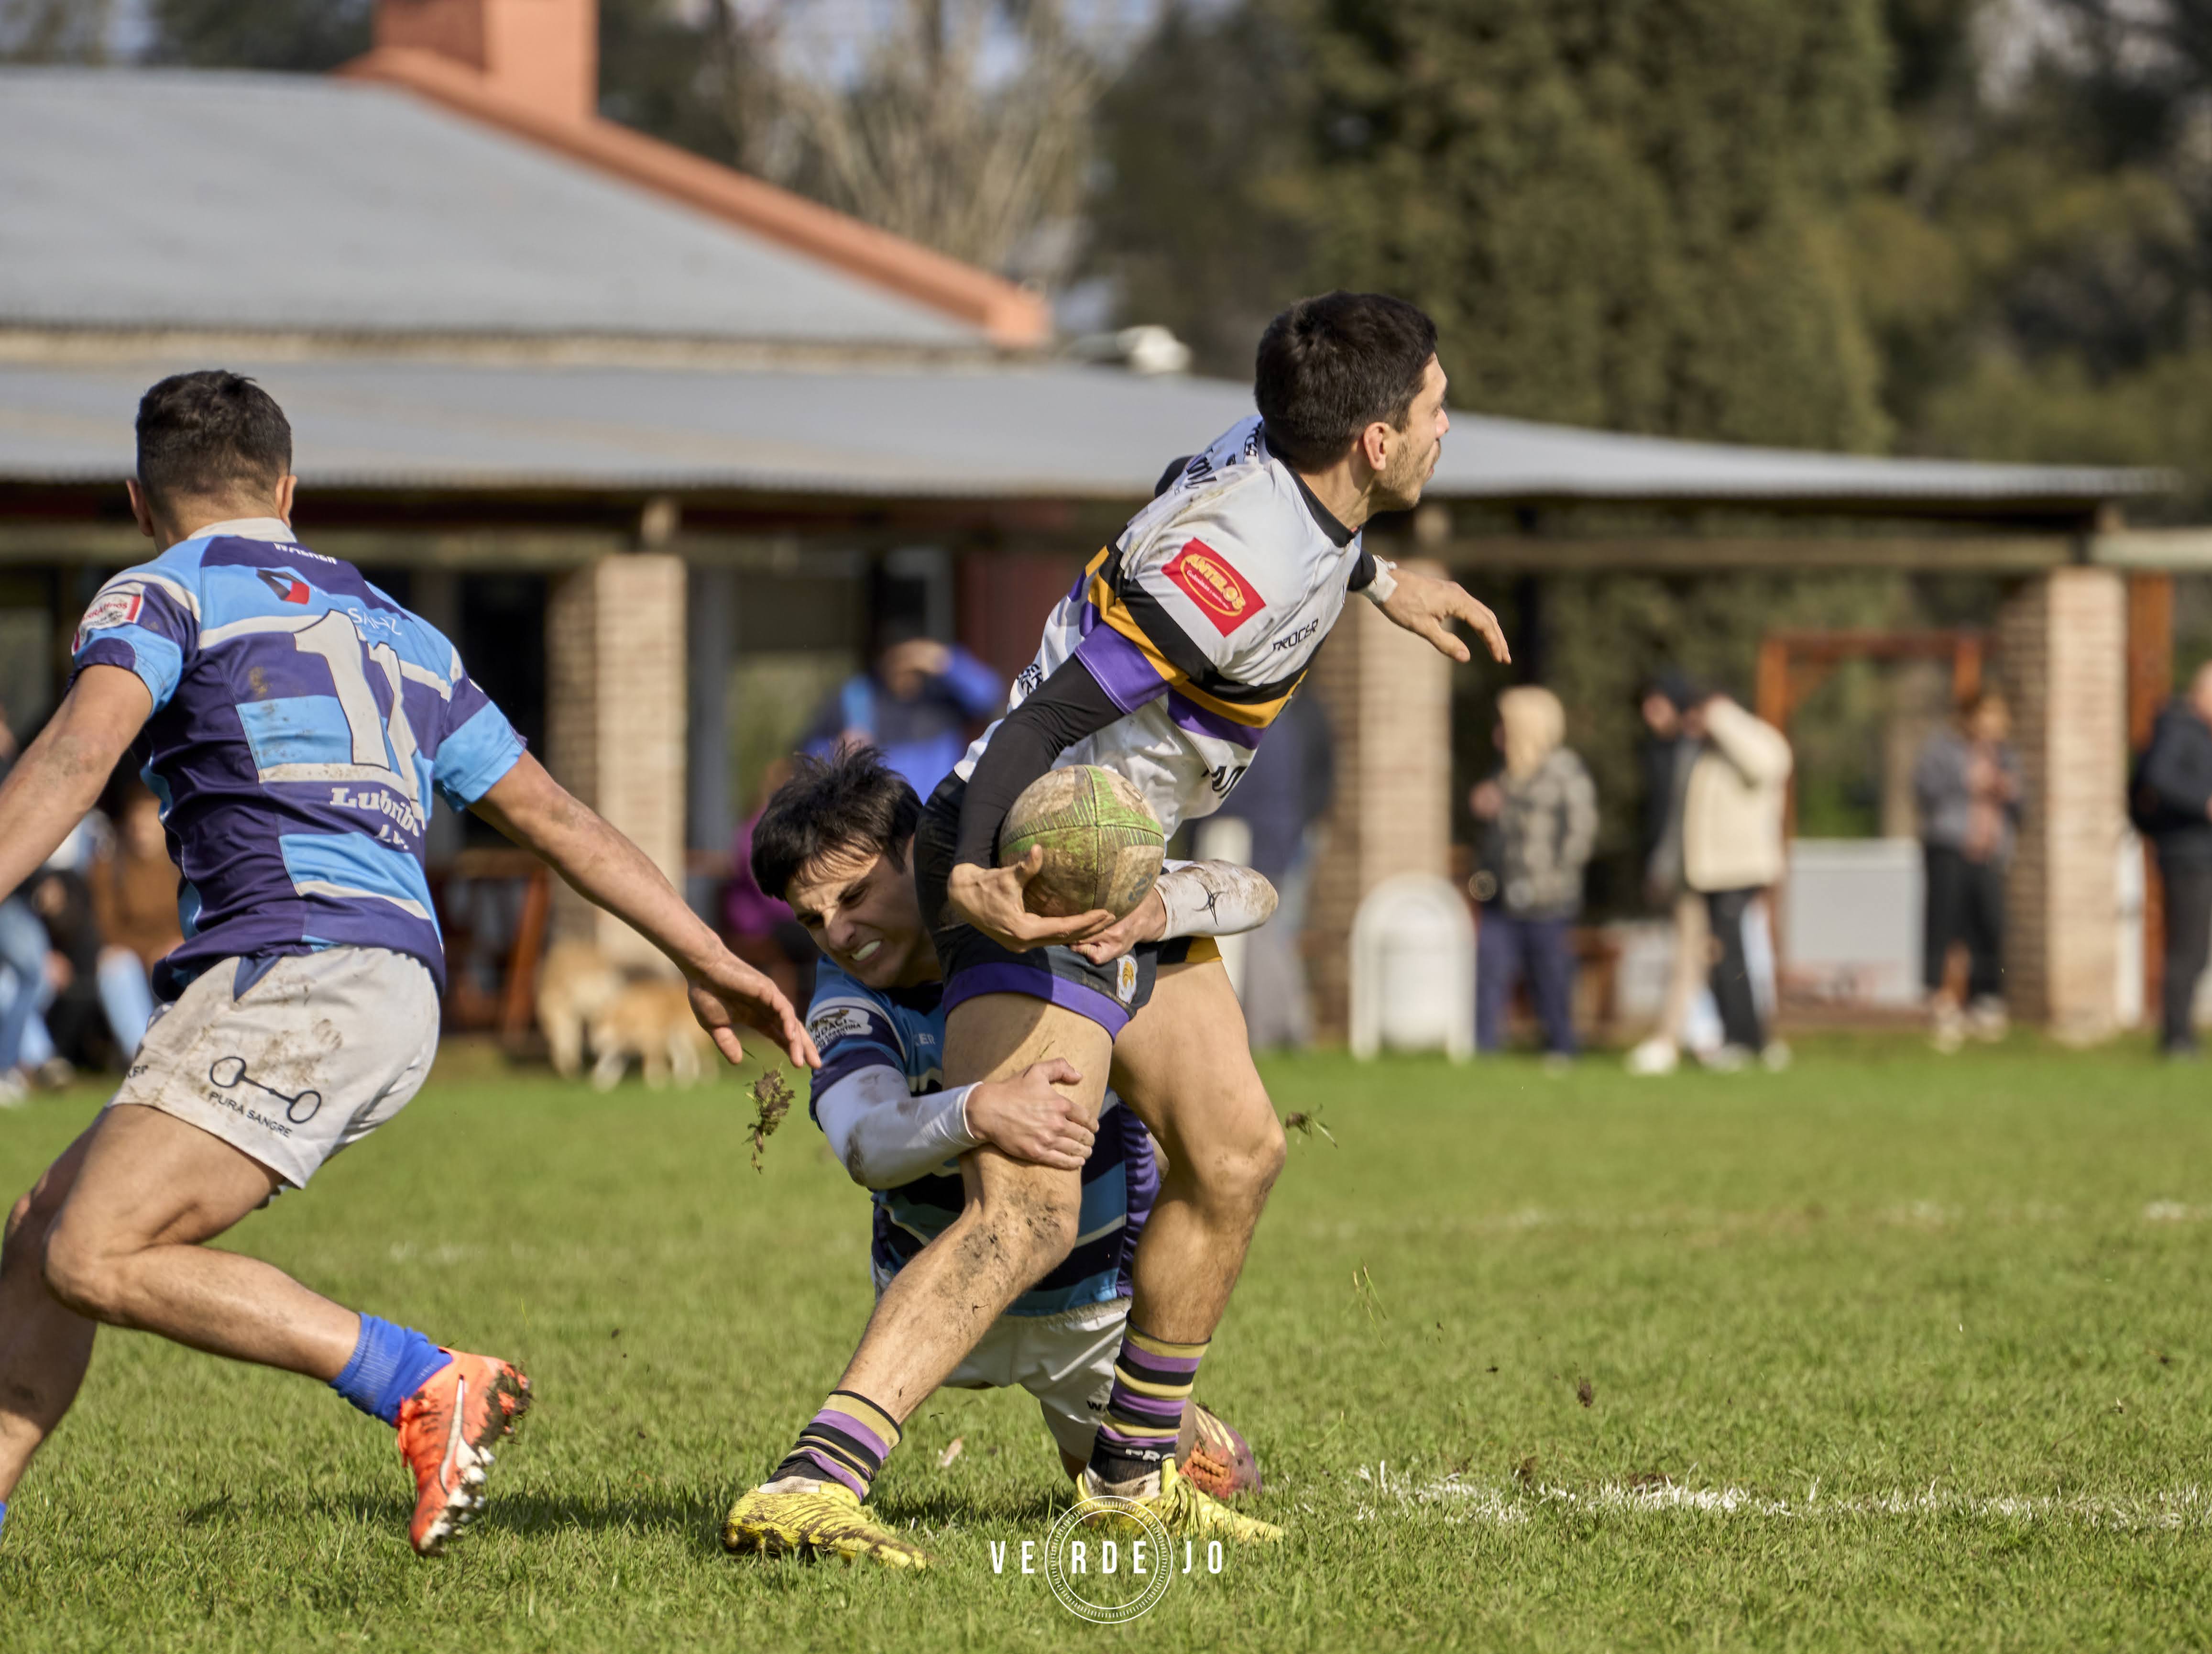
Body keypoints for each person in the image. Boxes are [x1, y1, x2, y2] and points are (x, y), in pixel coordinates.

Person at [723, 290, 1511, 1563]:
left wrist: (1381, 579)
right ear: (1373, 438)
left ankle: (1128, 1478)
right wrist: (965, 877)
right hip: (1040, 867)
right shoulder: (1234, 580)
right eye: (1432, 410)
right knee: (1024, 1213)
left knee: (1240, 1150)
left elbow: (1227, 511)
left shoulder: (1277, 473)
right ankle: (816, 1479)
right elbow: (1032, 730)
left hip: (1123, 872)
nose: (1442, 427)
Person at [0, 370, 816, 1556]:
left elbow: (74, 762)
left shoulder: (159, 595)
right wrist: (703, 949)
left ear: (139, 501)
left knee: (94, 1250)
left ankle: (423, 1381)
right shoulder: (399, 627)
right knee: (44, 1231)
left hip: (295, 974)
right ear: (287, 488)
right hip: (384, 979)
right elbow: (558, 818)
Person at [731, 749, 1276, 1563]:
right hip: (944, 1303)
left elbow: (1252, 891)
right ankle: (812, 1478)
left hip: (1091, 1312)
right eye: (813, 919)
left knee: (1227, 1475)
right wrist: (976, 1107)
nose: (839, 933)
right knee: (1011, 1221)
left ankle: (1142, 1454)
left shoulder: (1056, 910)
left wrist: (1158, 906)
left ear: (921, 855)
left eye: (852, 895)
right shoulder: (849, 996)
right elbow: (862, 1141)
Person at [1469, 685, 1597, 1060]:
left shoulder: (1564, 772)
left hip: (1548, 899)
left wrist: (1555, 879)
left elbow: (1581, 833)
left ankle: (1561, 1048)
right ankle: (1484, 1049)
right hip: (1501, 895)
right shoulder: (1505, 775)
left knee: (1551, 976)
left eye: (1506, 726)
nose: (1498, 734)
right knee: (1490, 971)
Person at [1210, 688, 1335, 1050]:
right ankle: (1285, 1027)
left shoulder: (1258, 721)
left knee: (1263, 935)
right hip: (1281, 834)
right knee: (1276, 934)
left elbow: (1233, 793)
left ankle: (1277, 1029)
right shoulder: (1280, 718)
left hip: (1260, 840)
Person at [1680, 690, 1794, 1069]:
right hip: (1714, 872)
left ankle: (1748, 1040)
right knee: (1727, 957)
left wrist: (1721, 718)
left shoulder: (1749, 739)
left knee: (1739, 958)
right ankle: (1739, 1036)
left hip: (1740, 871)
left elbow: (1770, 765)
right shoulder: (1710, 755)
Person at [1913, 692, 2020, 1052]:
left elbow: (2025, 801)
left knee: (1990, 924)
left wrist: (2009, 789)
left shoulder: (2006, 755)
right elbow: (1923, 788)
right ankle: (1939, 1000)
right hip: (1950, 846)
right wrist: (1966, 781)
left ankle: (1987, 998)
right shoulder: (1944, 749)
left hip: (1990, 851)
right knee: (1945, 924)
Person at [804, 623, 1005, 800]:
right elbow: (809, 757)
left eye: (913, 661)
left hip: (939, 815)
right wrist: (838, 753)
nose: (905, 671)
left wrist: (946, 662)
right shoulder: (856, 699)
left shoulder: (943, 696)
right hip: (884, 819)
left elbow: (990, 695)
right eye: (897, 660)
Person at [2131, 661, 2212, 1058]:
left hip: (2201, 853)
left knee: (2196, 949)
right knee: (2187, 948)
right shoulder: (2179, 729)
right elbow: (2158, 780)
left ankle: (2181, 1034)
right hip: (2187, 854)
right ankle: (2176, 1037)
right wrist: (2204, 804)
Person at [86, 785, 184, 1059]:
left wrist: (173, 946)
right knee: (113, 965)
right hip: (133, 955)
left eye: (149, 823)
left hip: (174, 952)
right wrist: (148, 953)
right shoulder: (108, 867)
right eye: (136, 823)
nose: (141, 831)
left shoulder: (183, 865)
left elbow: (192, 917)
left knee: (184, 959)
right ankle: (140, 1056)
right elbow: (107, 927)